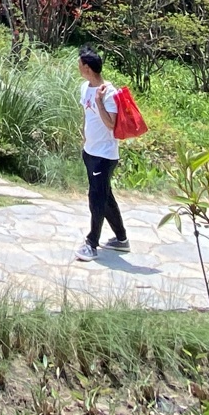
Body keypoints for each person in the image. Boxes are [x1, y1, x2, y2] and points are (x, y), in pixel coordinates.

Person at [74, 48, 130, 259]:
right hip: (90, 150)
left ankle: (91, 243)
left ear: (87, 68)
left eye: (80, 64)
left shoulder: (109, 93)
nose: (78, 68)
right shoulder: (84, 87)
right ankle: (121, 239)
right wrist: (84, 137)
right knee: (105, 196)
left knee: (96, 197)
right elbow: (86, 116)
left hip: (105, 155)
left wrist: (99, 101)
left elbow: (110, 124)